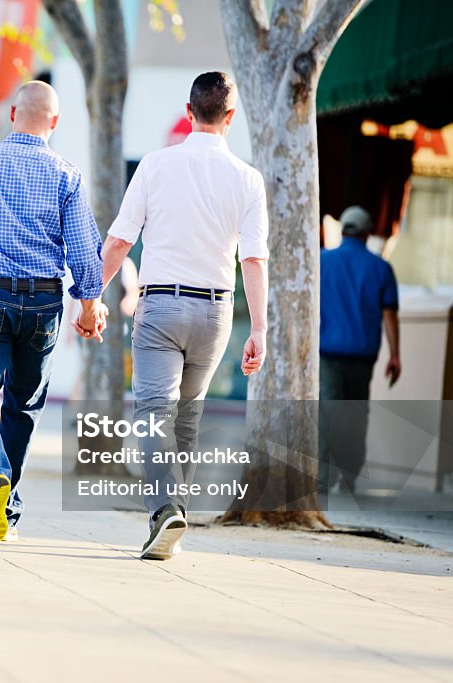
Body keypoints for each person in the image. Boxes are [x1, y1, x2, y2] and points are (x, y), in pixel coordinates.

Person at [103, 72, 270, 560]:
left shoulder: (156, 166)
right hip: (216, 312)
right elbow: (254, 260)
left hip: (160, 307)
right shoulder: (248, 178)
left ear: (190, 110)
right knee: (187, 419)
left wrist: (90, 296)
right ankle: (172, 522)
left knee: (155, 414)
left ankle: (166, 511)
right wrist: (258, 328)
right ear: (231, 117)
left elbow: (118, 242)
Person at [0, 81, 106, 547]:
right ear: (54, 121)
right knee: (24, 407)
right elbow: (86, 253)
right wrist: (90, 305)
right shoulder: (66, 174)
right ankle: (5, 506)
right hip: (44, 303)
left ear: (13, 114)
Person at [319, 205, 401, 494]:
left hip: (326, 354)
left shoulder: (321, 261)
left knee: (326, 412)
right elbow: (389, 314)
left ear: (343, 230)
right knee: (355, 413)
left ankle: (321, 476)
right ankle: (349, 475)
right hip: (362, 357)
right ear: (367, 233)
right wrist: (395, 355)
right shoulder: (381, 268)